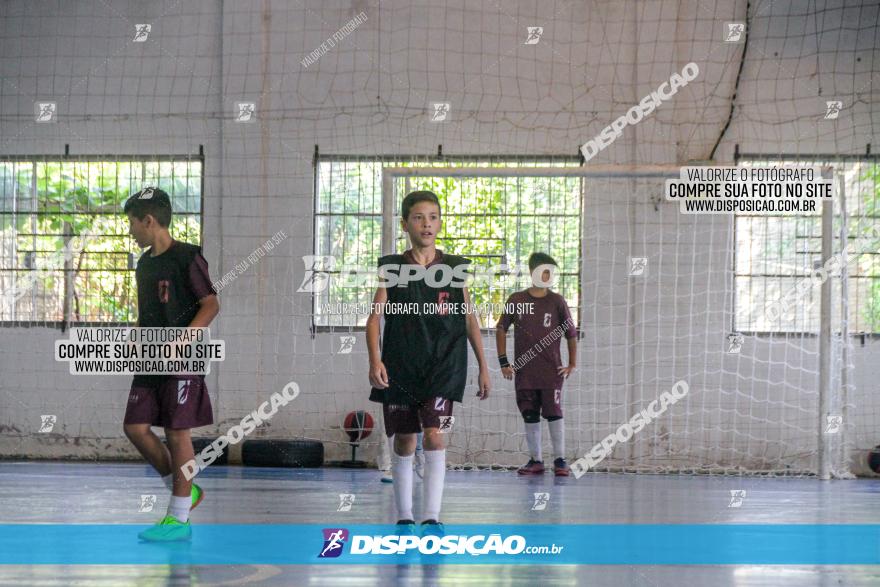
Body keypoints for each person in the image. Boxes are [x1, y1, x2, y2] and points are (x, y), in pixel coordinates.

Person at [367, 190, 490, 532]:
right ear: (405, 223)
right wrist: (374, 359)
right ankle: (405, 515)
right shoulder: (392, 267)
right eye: (419, 217)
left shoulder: (454, 268)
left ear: (440, 223)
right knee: (405, 438)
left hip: (445, 366)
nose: (427, 224)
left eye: (433, 217)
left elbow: (469, 319)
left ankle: (432, 516)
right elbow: (374, 319)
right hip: (401, 365)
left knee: (435, 435)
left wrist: (483, 366)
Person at [122, 187, 220, 541]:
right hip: (150, 356)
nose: (130, 231)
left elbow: (210, 304)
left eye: (132, 223)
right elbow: (147, 312)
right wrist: (137, 335)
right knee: (135, 427)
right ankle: (185, 489)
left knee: (177, 432)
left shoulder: (188, 257)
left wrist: (183, 340)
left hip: (183, 359)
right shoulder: (145, 263)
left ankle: (178, 518)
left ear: (149, 221)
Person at [496, 252, 577, 476]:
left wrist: (572, 364)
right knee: (529, 413)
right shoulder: (516, 300)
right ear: (532, 272)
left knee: (554, 412)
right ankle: (536, 460)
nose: (548, 275)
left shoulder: (557, 301)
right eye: (544, 271)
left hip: (551, 372)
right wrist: (504, 362)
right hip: (525, 372)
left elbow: (571, 333)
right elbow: (501, 328)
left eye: (551, 272)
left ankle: (560, 460)